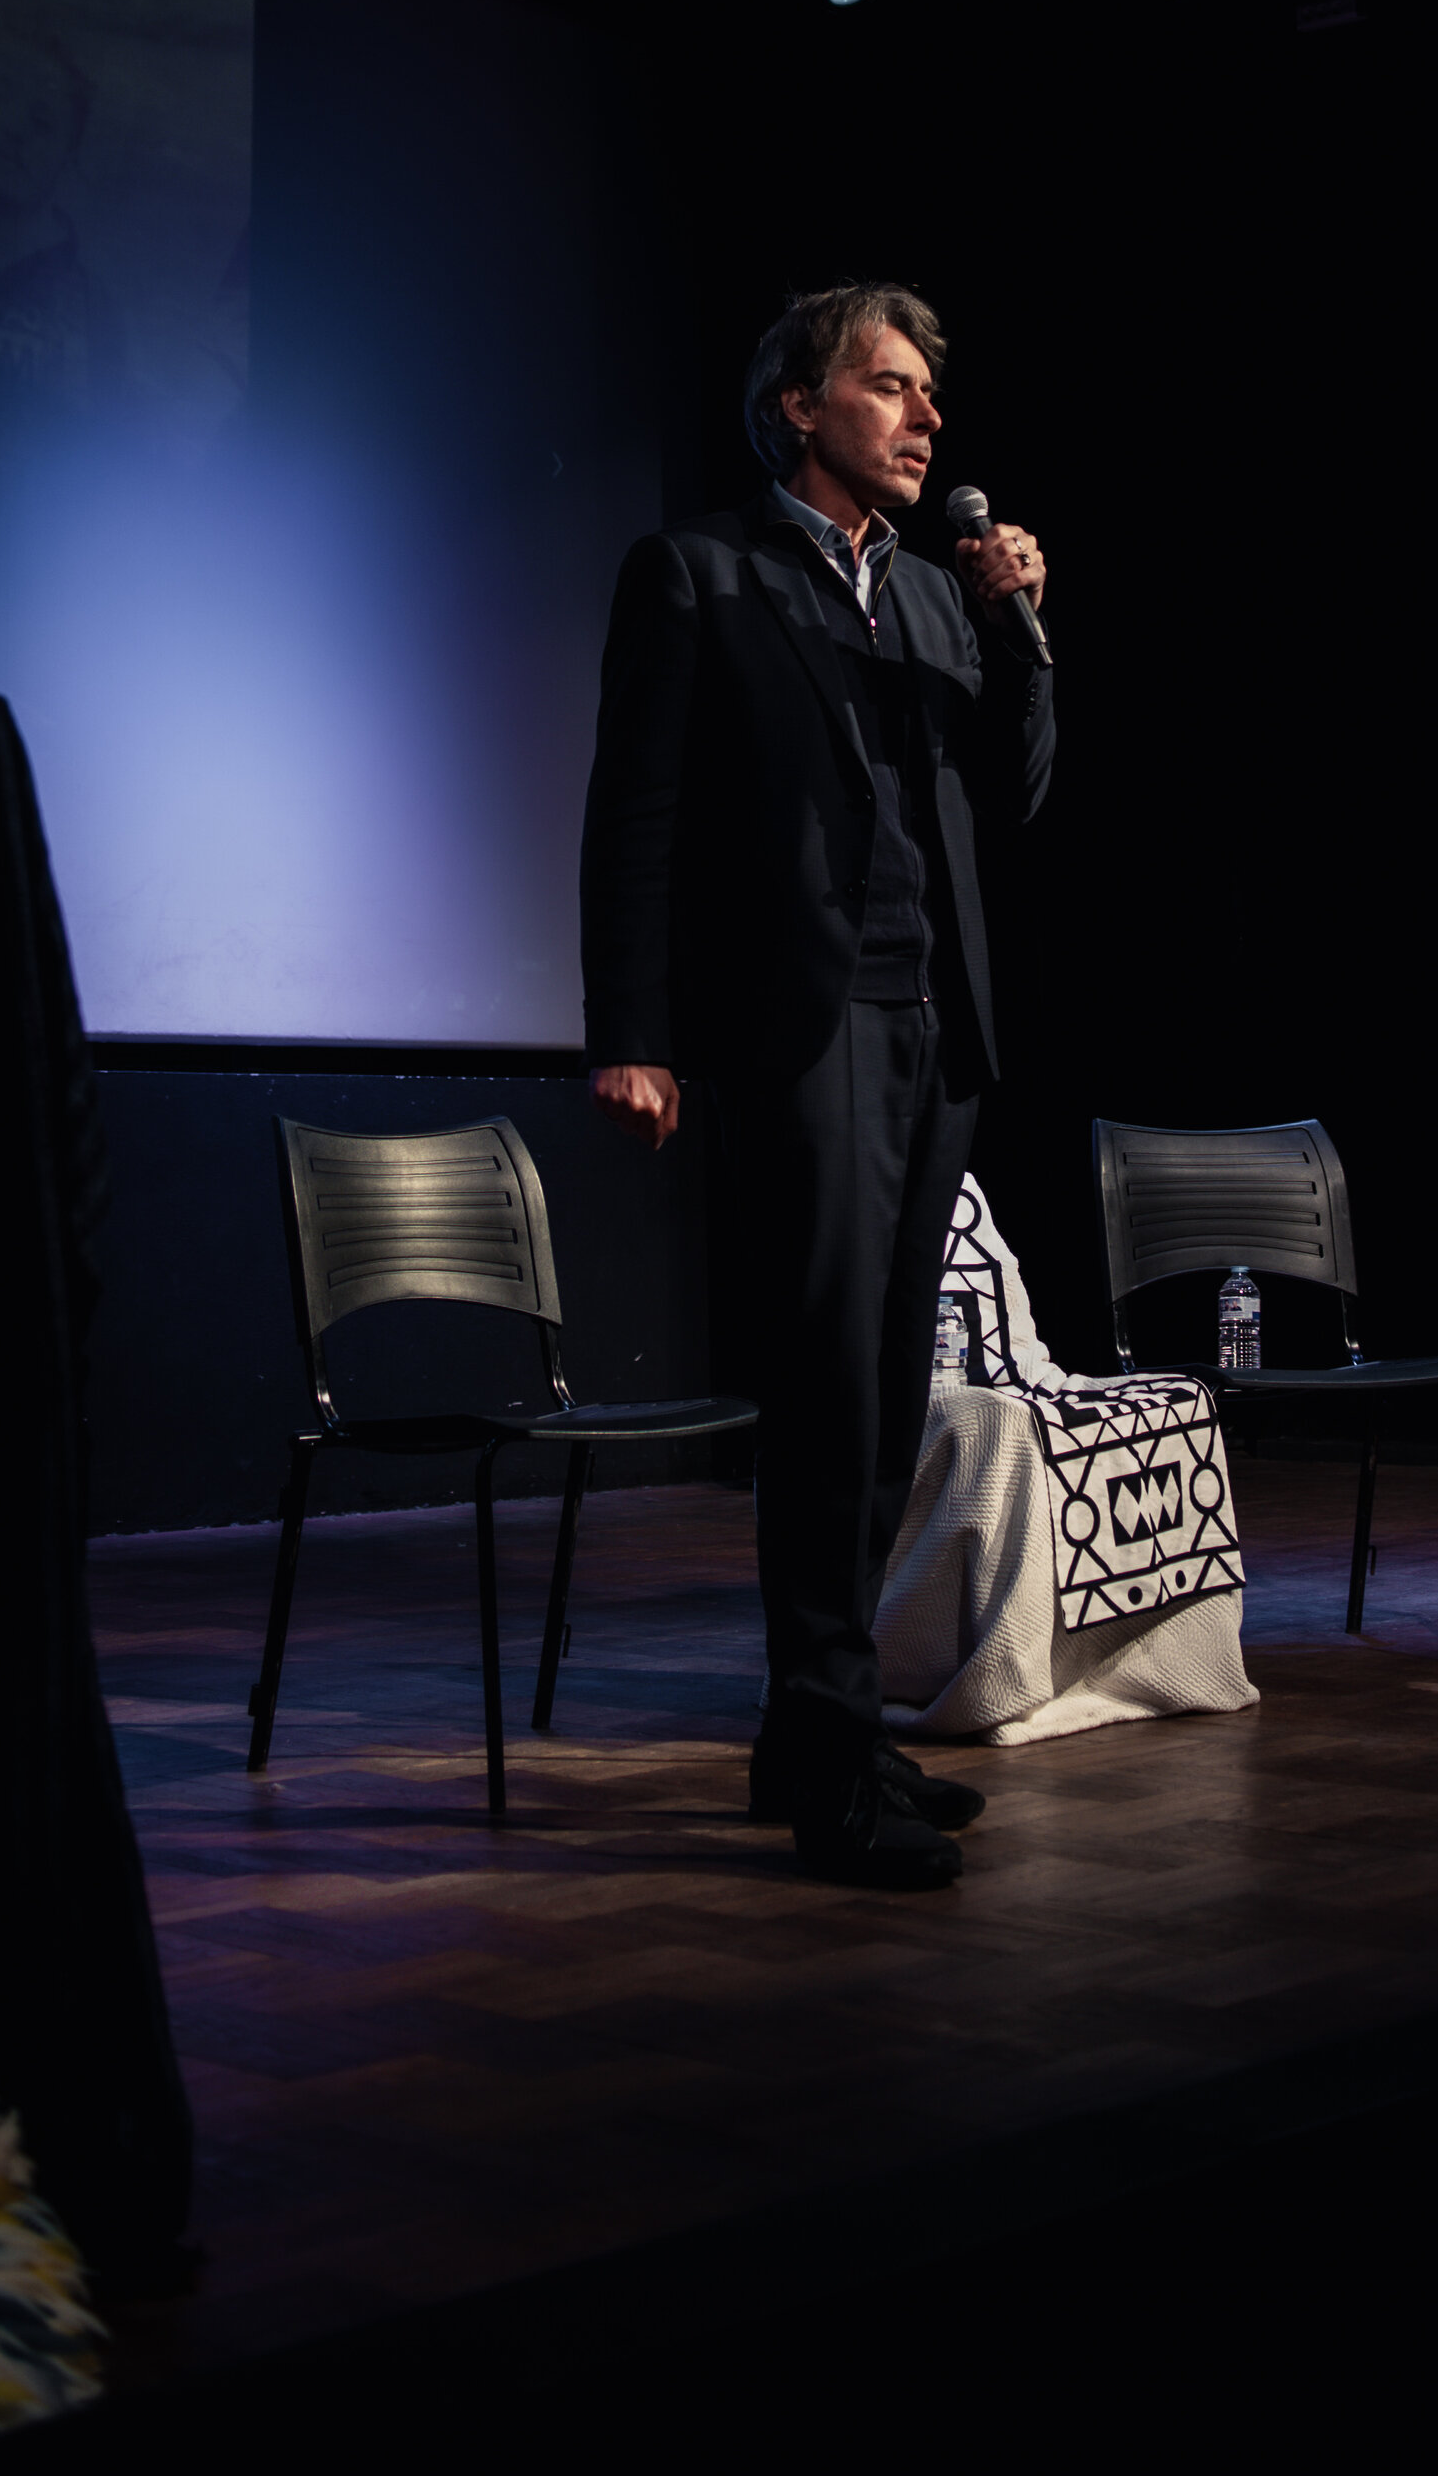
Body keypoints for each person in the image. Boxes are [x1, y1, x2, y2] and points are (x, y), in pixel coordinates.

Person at [580, 283, 1055, 1888]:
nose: (927, 418)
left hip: (937, 1030)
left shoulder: (928, 598)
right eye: (892, 387)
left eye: (933, 394)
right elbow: (633, 814)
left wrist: (1013, 630)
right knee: (826, 1391)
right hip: (804, 1029)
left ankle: (819, 1734)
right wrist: (629, 1030)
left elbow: (1015, 795)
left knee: (884, 1400)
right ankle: (832, 1743)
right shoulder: (699, 573)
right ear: (800, 403)